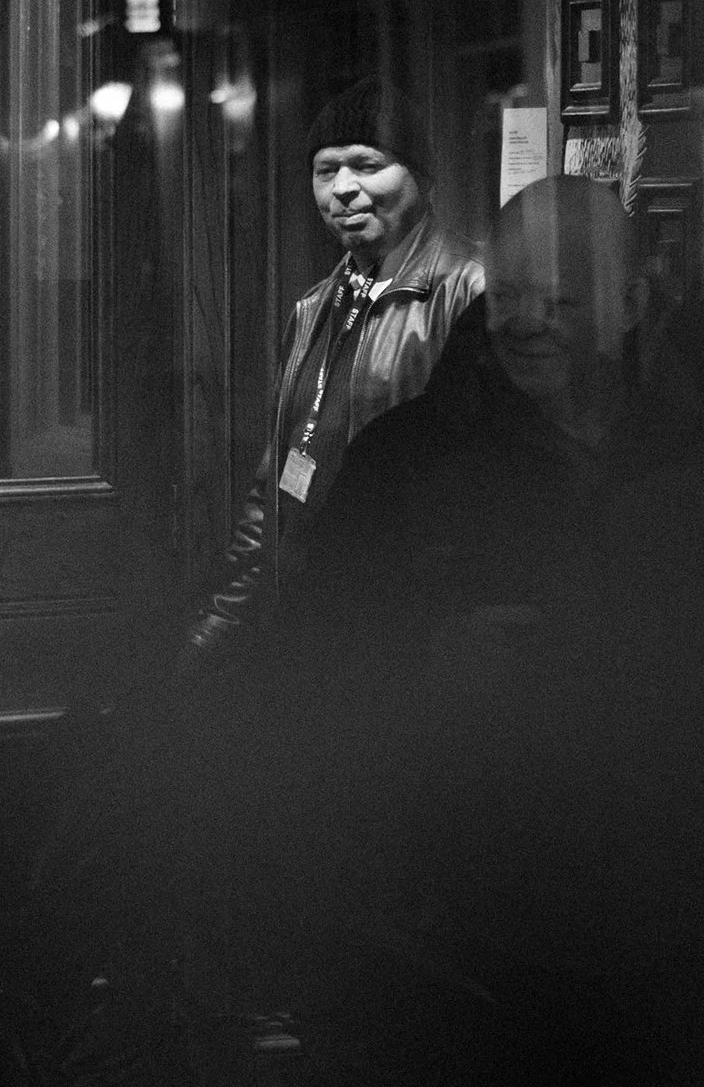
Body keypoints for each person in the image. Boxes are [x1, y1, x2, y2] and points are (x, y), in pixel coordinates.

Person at [279, 177, 704, 1087]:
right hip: (470, 932)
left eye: (565, 300)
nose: (528, 321)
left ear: (629, 303)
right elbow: (314, 670)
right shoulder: (410, 462)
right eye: (514, 293)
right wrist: (428, 663)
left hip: (672, 926)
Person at [177, 76, 484, 669]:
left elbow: (484, 485)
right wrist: (218, 627)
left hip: (409, 630)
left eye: (368, 165)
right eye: (326, 170)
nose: (344, 188)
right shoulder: (316, 306)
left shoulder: (468, 289)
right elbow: (276, 487)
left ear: (421, 177)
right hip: (308, 622)